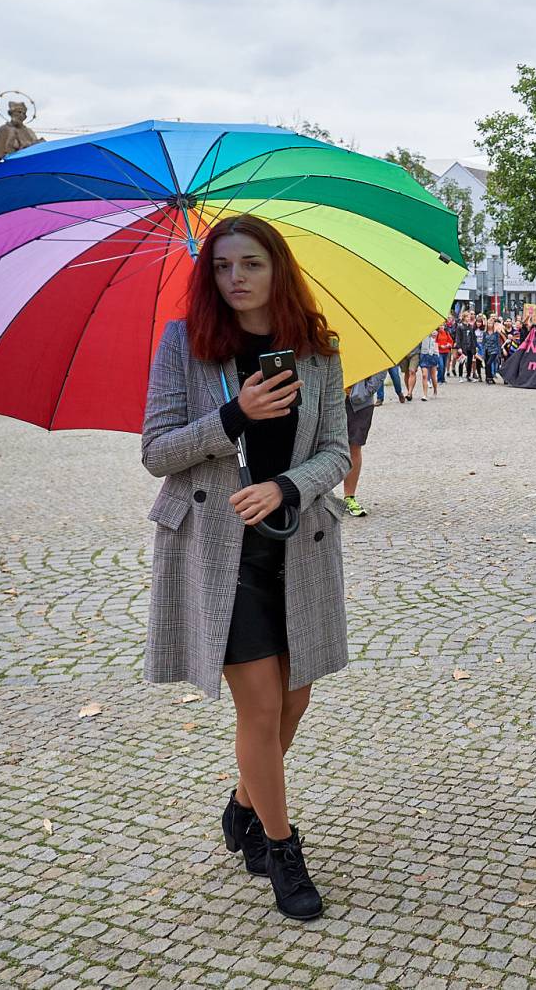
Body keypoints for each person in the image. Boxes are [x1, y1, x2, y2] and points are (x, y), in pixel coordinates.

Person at [140, 214, 349, 922]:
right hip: (217, 550)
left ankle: (242, 801)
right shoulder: (185, 344)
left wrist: (287, 485)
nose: (236, 278)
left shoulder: (317, 350)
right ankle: (281, 848)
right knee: (259, 704)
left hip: (297, 544)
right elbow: (157, 451)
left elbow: (336, 453)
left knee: (295, 699)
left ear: (276, 268)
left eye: (251, 263)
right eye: (223, 265)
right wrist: (234, 414)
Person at [342, 368, 390, 517]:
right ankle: (321, 496)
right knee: (321, 446)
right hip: (330, 399)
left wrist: (365, 391)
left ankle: (349, 496)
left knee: (354, 447)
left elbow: (381, 366)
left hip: (359, 402)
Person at [416, 331, 441, 398]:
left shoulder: (435, 331)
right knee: (424, 375)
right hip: (423, 354)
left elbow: (434, 337)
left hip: (433, 354)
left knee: (433, 376)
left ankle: (435, 391)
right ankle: (425, 394)